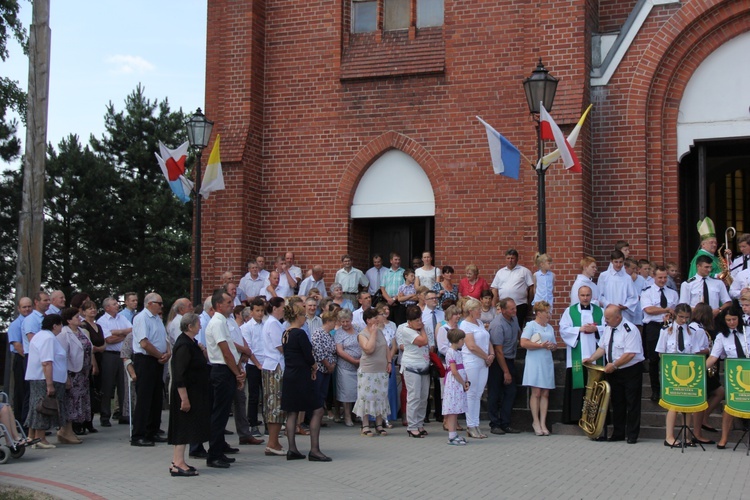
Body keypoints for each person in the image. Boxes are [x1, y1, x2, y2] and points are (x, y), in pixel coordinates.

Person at [583, 305, 645, 444]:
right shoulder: (608, 328)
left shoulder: (630, 329)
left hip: (630, 369)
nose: (605, 320)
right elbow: (603, 347)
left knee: (632, 402)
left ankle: (632, 435)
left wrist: (615, 364)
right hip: (613, 370)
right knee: (617, 402)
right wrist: (591, 358)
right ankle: (618, 433)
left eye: (608, 318)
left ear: (618, 317)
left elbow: (630, 353)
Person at [281, 303, 331, 462]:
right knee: (317, 409)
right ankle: (314, 449)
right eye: (303, 315)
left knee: (292, 411)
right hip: (302, 375)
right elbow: (309, 356)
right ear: (298, 317)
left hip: (289, 374)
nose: (305, 319)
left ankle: (292, 449)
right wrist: (315, 367)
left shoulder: (285, 333)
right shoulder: (300, 334)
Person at [204, 289, 245, 468]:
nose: (232, 305)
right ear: (219, 305)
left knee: (222, 412)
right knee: (219, 414)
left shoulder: (223, 322)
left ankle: (219, 449)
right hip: (221, 370)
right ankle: (214, 454)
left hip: (226, 369)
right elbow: (225, 351)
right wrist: (237, 373)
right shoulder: (217, 323)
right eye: (228, 302)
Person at [655, 303, 704, 447]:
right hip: (671, 371)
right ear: (675, 315)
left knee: (687, 404)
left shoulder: (692, 331)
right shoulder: (666, 330)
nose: (683, 320)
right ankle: (669, 436)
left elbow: (695, 352)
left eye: (686, 318)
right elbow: (660, 352)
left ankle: (686, 436)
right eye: (681, 317)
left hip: (687, 371)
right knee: (673, 404)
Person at [168, 313, 210, 477]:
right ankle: (178, 462)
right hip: (185, 393)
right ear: (190, 326)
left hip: (194, 391)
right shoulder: (183, 345)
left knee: (187, 426)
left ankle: (178, 461)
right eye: (198, 324)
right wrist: (184, 398)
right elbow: (180, 374)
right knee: (183, 427)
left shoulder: (191, 343)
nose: (200, 326)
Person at [559, 287, 605, 425]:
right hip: (576, 359)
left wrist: (596, 329)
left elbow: (607, 328)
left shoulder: (600, 311)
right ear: (578, 296)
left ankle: (596, 418)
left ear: (592, 296)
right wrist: (580, 329)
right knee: (578, 386)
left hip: (595, 357)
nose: (585, 298)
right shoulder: (570, 311)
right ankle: (575, 417)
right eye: (582, 295)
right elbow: (563, 329)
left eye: (588, 295)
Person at [131, 293, 171, 448]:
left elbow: (164, 339)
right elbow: (144, 343)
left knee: (156, 397)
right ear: (149, 303)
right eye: (159, 303)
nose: (161, 306)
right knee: (144, 397)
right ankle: (138, 434)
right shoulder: (142, 318)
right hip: (146, 360)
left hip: (158, 360)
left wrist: (167, 352)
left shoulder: (157, 319)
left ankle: (153, 430)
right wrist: (160, 354)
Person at [706, 307, 748, 449]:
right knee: (729, 408)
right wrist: (699, 370)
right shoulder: (721, 336)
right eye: (728, 320)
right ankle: (724, 439)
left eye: (734, 319)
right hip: (734, 376)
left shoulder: (747, 331)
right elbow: (713, 357)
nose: (731, 322)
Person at [25, 313, 67, 449]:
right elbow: (47, 362)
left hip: (39, 378)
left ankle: (32, 436)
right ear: (55, 325)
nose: (61, 328)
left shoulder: (39, 336)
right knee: (43, 407)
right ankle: (40, 438)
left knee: (35, 406)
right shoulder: (48, 338)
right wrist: (50, 384)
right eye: (61, 325)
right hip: (44, 378)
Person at [641, 266, 679, 401]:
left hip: (668, 327)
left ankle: (669, 388)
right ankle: (655, 390)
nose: (663, 280)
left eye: (665, 277)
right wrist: (666, 310)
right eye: (660, 277)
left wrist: (671, 315)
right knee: (653, 360)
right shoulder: (647, 292)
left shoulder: (673, 293)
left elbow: (677, 311)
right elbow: (649, 309)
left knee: (669, 358)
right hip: (653, 327)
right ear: (653, 277)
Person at [520, 301, 557, 436]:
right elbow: (523, 342)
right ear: (539, 313)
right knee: (536, 392)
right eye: (547, 312)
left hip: (546, 360)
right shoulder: (531, 326)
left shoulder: (549, 328)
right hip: (534, 361)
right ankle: (535, 421)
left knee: (545, 393)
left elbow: (554, 344)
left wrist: (552, 346)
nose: (549, 315)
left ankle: (543, 422)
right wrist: (541, 346)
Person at [57, 307, 93, 444]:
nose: (80, 319)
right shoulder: (64, 334)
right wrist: (65, 376)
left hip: (83, 374)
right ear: (68, 320)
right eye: (77, 317)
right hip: (72, 373)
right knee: (71, 402)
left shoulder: (81, 332)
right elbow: (63, 356)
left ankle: (69, 431)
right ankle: (66, 430)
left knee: (78, 402)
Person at [353, 308, 392, 437]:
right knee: (366, 397)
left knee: (380, 396)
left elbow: (386, 347)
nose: (378, 319)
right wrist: (373, 333)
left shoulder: (380, 332)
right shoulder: (362, 334)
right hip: (368, 371)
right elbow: (369, 349)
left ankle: (379, 424)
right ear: (368, 320)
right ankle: (365, 425)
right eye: (375, 317)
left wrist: (389, 362)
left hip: (381, 370)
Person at [487, 298, 521, 434]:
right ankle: (494, 424)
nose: (515, 311)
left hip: (510, 358)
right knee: (494, 393)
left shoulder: (514, 318)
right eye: (512, 309)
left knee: (511, 392)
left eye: (515, 308)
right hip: (498, 361)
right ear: (504, 310)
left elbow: (518, 333)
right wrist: (506, 371)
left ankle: (505, 423)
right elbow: (498, 351)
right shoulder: (497, 325)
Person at [690, 302, 723, 444]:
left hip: (705, 366)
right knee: (703, 399)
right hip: (700, 365)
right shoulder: (696, 329)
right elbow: (694, 348)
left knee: (718, 392)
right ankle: (697, 433)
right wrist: (709, 351)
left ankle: (702, 421)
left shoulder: (700, 328)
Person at [97, 297, 132, 427]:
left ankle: (123, 414)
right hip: (109, 355)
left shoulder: (122, 318)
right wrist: (124, 334)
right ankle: (105, 415)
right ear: (107, 308)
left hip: (122, 355)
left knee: (123, 385)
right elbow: (109, 340)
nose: (117, 305)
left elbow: (132, 331)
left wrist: (118, 333)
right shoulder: (102, 321)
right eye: (114, 304)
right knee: (107, 386)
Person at [461, 299, 494, 438]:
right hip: (472, 361)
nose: (480, 311)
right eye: (478, 309)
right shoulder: (465, 325)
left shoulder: (479, 323)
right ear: (470, 311)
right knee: (471, 393)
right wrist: (486, 356)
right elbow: (471, 346)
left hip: (483, 362)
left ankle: (476, 424)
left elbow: (488, 340)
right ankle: (470, 425)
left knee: (478, 393)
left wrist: (491, 354)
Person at [398, 305, 431, 438]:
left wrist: (422, 328)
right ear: (409, 321)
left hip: (424, 365)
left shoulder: (422, 328)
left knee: (423, 397)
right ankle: (412, 426)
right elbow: (423, 341)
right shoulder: (405, 330)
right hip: (411, 366)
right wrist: (422, 329)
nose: (419, 322)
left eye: (419, 319)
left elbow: (430, 342)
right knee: (414, 397)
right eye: (416, 320)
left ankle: (419, 423)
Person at [261, 296, 286, 456]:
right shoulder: (274, 324)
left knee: (273, 404)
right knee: (275, 405)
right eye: (283, 307)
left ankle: (274, 441)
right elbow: (280, 346)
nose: (284, 309)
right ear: (275, 308)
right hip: (275, 366)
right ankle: (272, 442)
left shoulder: (271, 323)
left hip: (271, 365)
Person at [240, 298, 265, 439]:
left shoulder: (266, 325)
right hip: (253, 364)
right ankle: (253, 423)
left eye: (262, 311)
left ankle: (269, 424)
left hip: (266, 363)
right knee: (254, 395)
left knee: (267, 395)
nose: (260, 314)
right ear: (252, 311)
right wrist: (257, 364)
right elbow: (248, 348)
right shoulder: (246, 327)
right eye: (257, 311)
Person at [79, 300, 105, 434]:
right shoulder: (83, 326)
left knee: (97, 390)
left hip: (101, 357)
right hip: (90, 360)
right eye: (89, 309)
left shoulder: (98, 326)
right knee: (88, 391)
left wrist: (100, 348)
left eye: (94, 308)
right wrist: (93, 362)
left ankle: (90, 420)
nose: (92, 311)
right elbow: (89, 346)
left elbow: (104, 343)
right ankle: (83, 421)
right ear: (83, 312)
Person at [490, 249, 534, 328]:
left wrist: (529, 302)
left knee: (518, 327)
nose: (510, 260)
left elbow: (531, 288)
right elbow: (494, 288)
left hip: (519, 305)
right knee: (504, 326)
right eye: (508, 258)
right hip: (504, 306)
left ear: (517, 259)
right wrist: (495, 304)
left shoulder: (524, 271)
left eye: (512, 258)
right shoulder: (500, 272)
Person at [334, 309, 361, 427]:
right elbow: (339, 351)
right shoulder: (339, 333)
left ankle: (356, 414)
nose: (345, 324)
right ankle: (347, 416)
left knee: (358, 391)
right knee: (347, 392)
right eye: (343, 321)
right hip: (345, 366)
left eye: (347, 321)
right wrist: (353, 360)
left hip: (360, 365)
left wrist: (361, 360)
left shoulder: (358, 329)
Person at [442, 328, 469, 446]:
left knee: (456, 408)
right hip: (454, 384)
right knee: (452, 409)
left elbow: (462, 368)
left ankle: (454, 434)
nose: (463, 342)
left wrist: (466, 380)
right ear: (458, 340)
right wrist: (463, 382)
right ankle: (451, 435)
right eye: (462, 339)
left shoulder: (458, 352)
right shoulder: (451, 352)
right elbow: (454, 370)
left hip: (459, 383)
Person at [7, 297, 32, 424]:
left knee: (30, 391)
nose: (27, 309)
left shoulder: (32, 321)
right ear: (18, 309)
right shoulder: (15, 325)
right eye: (24, 307)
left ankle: (30, 422)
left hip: (29, 359)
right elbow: (18, 346)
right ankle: (21, 423)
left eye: (29, 306)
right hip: (21, 359)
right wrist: (30, 359)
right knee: (21, 391)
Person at [311, 310, 338, 424]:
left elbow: (333, 351)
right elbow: (318, 351)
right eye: (334, 321)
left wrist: (333, 364)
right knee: (317, 393)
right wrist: (328, 364)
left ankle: (319, 418)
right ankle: (314, 418)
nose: (335, 324)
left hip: (328, 370)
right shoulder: (318, 333)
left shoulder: (329, 334)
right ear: (328, 321)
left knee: (323, 393)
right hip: (320, 369)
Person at [598, 250, 639, 323]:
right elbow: (600, 295)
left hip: (624, 313)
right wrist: (609, 304)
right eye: (616, 262)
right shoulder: (604, 276)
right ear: (611, 261)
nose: (618, 265)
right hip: (608, 311)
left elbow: (633, 297)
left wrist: (626, 306)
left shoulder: (627, 278)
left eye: (620, 262)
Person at [380, 252, 406, 318]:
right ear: (391, 261)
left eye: (399, 259)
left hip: (399, 301)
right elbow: (382, 288)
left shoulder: (404, 272)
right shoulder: (386, 273)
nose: (398, 261)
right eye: (396, 259)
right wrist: (389, 299)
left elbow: (405, 288)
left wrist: (394, 299)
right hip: (387, 302)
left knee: (399, 322)